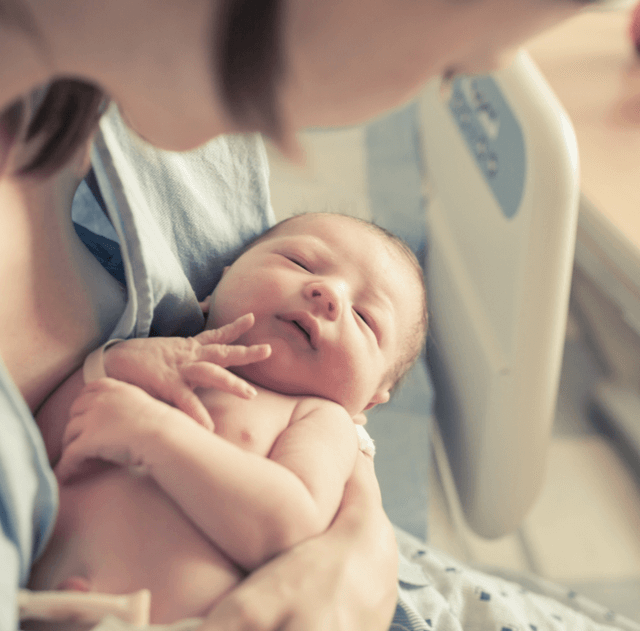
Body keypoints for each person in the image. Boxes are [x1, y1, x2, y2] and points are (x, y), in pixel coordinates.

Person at [0, 0, 640, 630]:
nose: (323, 291)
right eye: (449, 67)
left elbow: (323, 445)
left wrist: (358, 551)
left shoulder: (153, 81)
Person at [26, 212, 427, 626]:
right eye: (300, 262)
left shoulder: (320, 419)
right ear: (221, 279)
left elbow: (287, 527)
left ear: (370, 402)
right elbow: (40, 442)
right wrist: (111, 366)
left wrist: (154, 433)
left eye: (365, 318)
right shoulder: (155, 351)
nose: (329, 294)